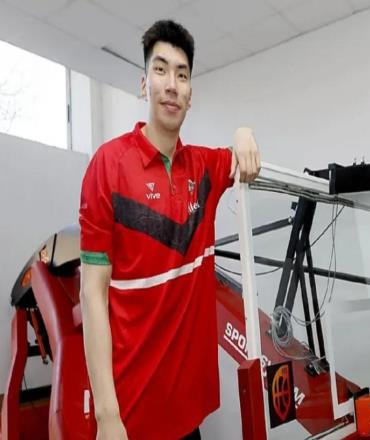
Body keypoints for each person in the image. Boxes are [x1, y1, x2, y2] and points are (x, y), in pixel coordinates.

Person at [79, 19, 261, 440]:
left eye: (182, 74)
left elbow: (239, 154)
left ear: (190, 94)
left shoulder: (203, 168)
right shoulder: (108, 166)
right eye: (160, 70)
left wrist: (244, 132)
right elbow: (92, 294)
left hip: (187, 418)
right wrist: (107, 416)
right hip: (129, 418)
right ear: (144, 85)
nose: (171, 84)